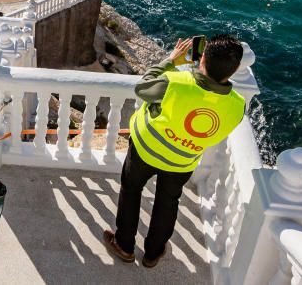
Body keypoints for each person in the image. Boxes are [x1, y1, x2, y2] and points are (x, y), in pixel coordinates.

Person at [104, 34, 247, 268]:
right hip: (183, 160)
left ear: (202, 60)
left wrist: (170, 61)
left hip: (146, 149)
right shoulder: (237, 105)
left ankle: (124, 246)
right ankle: (153, 254)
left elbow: (142, 88)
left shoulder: (175, 82)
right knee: (167, 203)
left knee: (131, 191)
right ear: (235, 69)